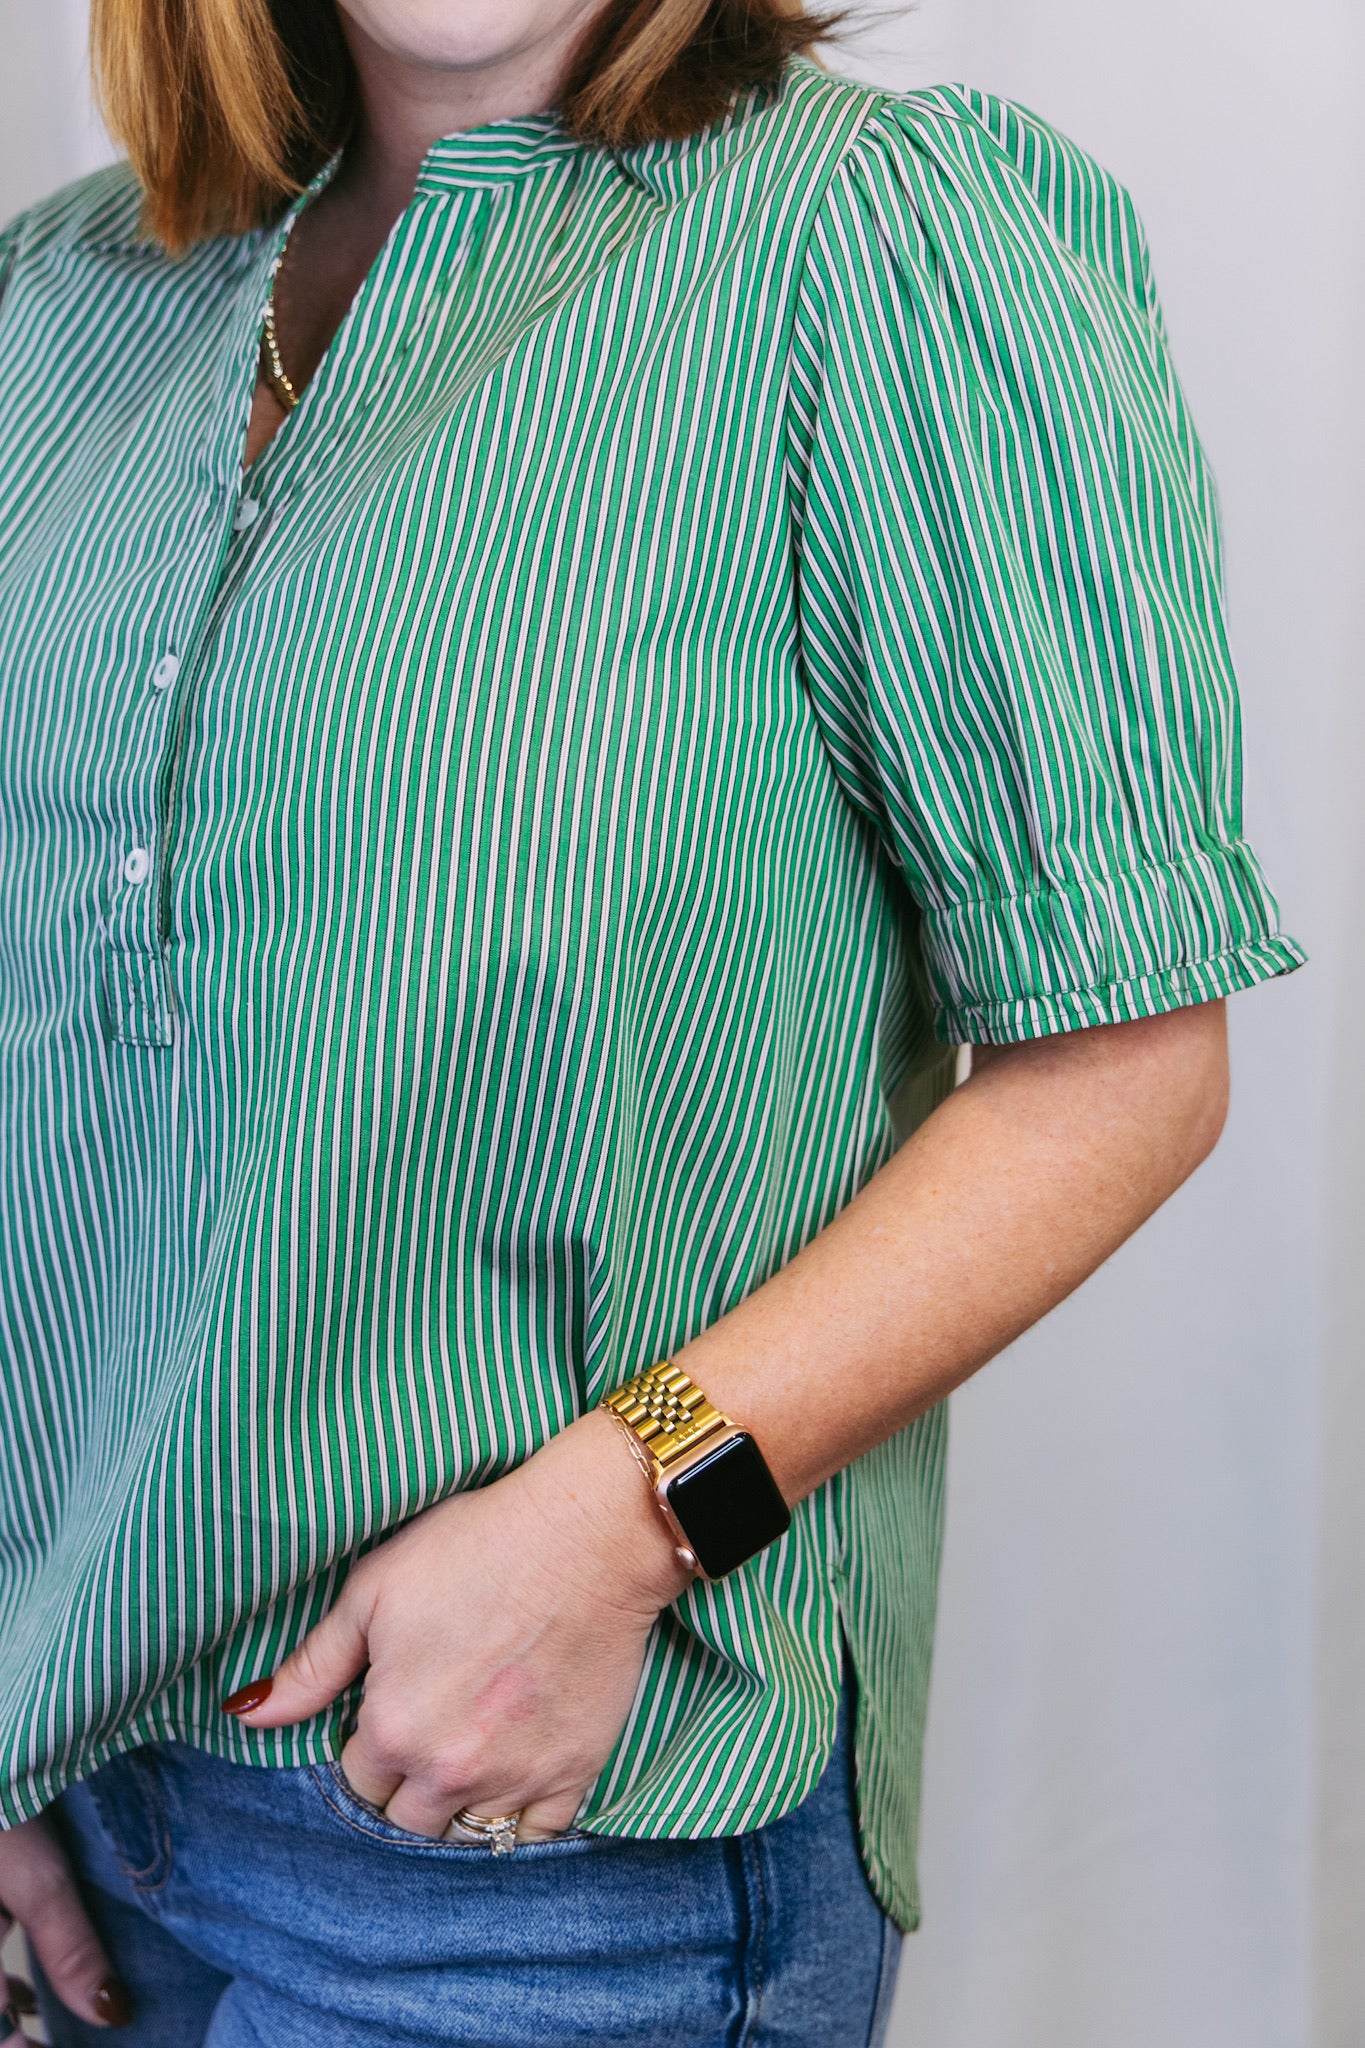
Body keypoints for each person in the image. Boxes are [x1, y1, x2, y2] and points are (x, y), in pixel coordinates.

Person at [0, 0, 1304, 2034]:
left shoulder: (879, 239)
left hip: (533, 1844)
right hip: (77, 1805)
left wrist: (615, 1524)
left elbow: (1121, 1065)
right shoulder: (65, 297)